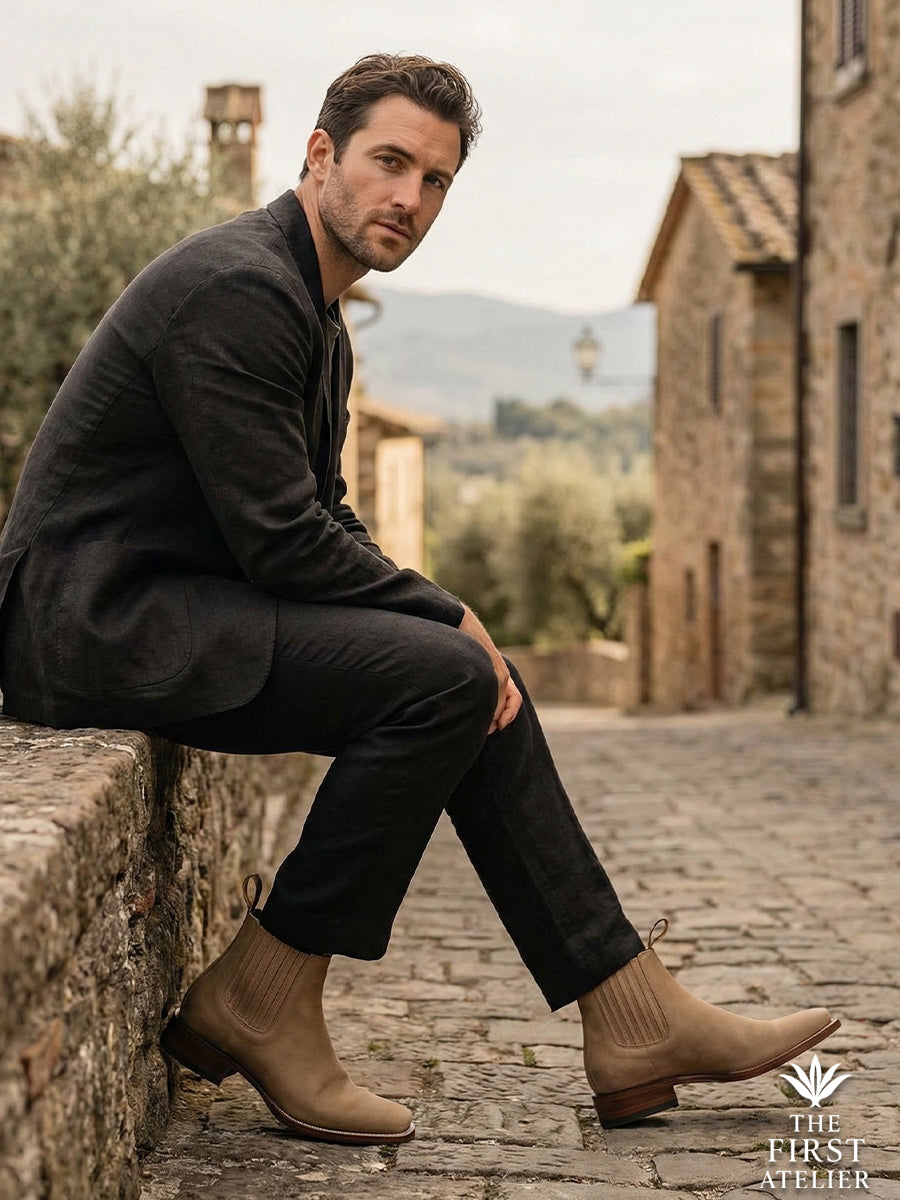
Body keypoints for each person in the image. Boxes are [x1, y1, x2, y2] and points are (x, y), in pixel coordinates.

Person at [0, 54, 838, 1147]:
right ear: (319, 156)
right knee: (446, 671)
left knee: (468, 679)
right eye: (390, 162)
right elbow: (281, 539)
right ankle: (264, 997)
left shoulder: (314, 311)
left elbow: (324, 515)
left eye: (435, 180)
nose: (410, 197)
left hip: (164, 608)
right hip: (95, 624)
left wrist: (444, 617)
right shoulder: (239, 290)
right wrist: (447, 615)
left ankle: (628, 1009)